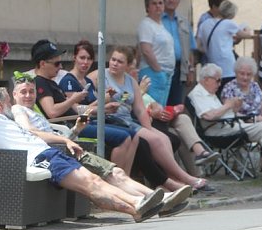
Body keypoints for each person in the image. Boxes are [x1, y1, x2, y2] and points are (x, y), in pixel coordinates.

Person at [0, 88, 168, 223]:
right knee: (90, 184)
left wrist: (68, 138)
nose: (12, 106)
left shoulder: (7, 121)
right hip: (41, 158)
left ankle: (136, 207)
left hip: (49, 153)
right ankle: (136, 202)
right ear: (1, 104)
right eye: (8, 102)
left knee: (94, 180)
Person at [10, 82, 193, 218]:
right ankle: (157, 201)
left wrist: (76, 130)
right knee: (111, 176)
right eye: (23, 92)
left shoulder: (35, 113)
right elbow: (31, 132)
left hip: (67, 151)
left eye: (31, 91)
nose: (28, 95)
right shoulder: (18, 109)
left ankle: (158, 200)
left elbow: (62, 138)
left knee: (117, 173)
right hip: (57, 155)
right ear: (14, 94)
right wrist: (65, 139)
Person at [102, 45, 213, 191]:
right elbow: (99, 101)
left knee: (163, 138)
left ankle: (175, 179)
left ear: (127, 65)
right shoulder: (101, 76)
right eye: (113, 60)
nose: (115, 63)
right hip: (113, 120)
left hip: (128, 120)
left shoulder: (130, 81)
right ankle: (183, 178)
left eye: (120, 61)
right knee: (155, 140)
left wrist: (149, 128)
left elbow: (140, 109)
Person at [189, 64, 262, 188]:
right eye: (218, 80)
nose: (220, 83)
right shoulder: (198, 93)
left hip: (231, 125)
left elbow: (223, 113)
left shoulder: (210, 93)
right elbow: (209, 116)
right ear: (206, 79)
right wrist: (228, 105)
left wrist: (234, 108)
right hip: (220, 131)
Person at [32, 39, 136, 172]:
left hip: (81, 121)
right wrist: (73, 99)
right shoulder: (40, 82)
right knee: (123, 138)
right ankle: (115, 177)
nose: (61, 67)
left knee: (130, 134)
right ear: (42, 64)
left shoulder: (51, 82)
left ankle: (125, 177)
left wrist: (102, 106)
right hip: (72, 128)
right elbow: (52, 112)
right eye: (57, 64)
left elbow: (76, 109)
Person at [196, 0, 251, 88]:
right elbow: (246, 35)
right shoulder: (228, 23)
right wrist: (246, 27)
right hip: (228, 67)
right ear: (232, 14)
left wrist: (211, 49)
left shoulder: (205, 24)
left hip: (211, 67)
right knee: (229, 93)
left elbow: (198, 46)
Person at [137, 0, 175, 105]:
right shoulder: (146, 24)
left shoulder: (161, 25)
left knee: (161, 109)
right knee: (152, 108)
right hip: (153, 72)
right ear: (147, 7)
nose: (158, 6)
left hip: (166, 73)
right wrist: (158, 71)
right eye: (154, 3)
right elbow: (146, 50)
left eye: (160, 3)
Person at [161, 0, 195, 104]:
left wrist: (191, 70)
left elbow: (190, 49)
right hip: (161, 69)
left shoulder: (184, 22)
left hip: (179, 69)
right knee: (159, 103)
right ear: (162, 0)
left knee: (176, 104)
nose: (171, 1)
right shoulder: (155, 20)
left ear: (178, 2)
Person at [59, 39, 98, 111]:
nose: (85, 62)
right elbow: (77, 110)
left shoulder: (88, 81)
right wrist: (101, 104)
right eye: (82, 58)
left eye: (89, 59)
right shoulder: (68, 81)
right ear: (74, 58)